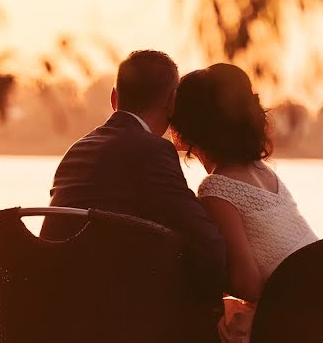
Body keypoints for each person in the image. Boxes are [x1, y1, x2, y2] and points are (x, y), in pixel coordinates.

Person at [169, 63, 319, 343]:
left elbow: (247, 282)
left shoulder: (216, 190)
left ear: (188, 129)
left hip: (286, 325)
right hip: (317, 310)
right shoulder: (268, 176)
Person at [41, 50, 226, 293]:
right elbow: (207, 246)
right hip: (110, 311)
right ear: (172, 101)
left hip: (58, 296)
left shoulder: (78, 149)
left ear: (114, 98)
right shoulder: (152, 151)